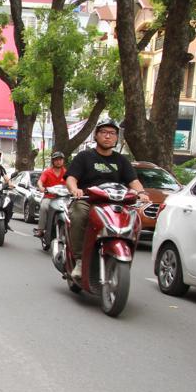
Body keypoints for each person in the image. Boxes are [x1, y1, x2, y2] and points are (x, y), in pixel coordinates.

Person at [65, 119, 150, 279]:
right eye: (104, 132)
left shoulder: (122, 160)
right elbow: (71, 178)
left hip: (115, 202)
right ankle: (79, 261)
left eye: (112, 133)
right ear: (96, 136)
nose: (108, 136)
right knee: (78, 213)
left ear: (117, 138)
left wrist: (141, 192)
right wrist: (75, 189)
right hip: (88, 200)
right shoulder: (84, 156)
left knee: (134, 219)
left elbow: (133, 181)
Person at [34, 151, 67, 238]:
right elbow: (40, 181)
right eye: (56, 159)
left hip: (63, 199)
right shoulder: (47, 172)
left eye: (60, 159)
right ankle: (40, 230)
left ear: (63, 161)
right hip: (49, 198)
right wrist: (41, 187)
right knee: (44, 207)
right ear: (53, 161)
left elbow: (73, 182)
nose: (58, 161)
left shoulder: (67, 173)